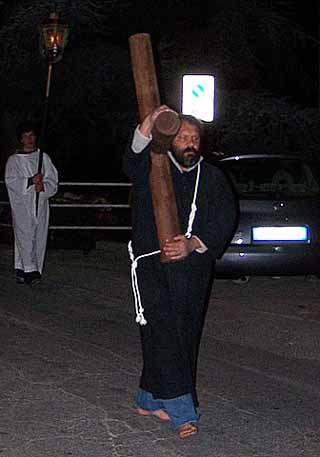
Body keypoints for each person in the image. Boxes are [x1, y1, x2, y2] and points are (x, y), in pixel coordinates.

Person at [123, 106, 237, 439]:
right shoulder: (154, 168)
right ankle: (182, 411)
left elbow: (225, 217)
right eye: (183, 136)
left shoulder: (213, 177)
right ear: (170, 139)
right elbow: (131, 162)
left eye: (194, 138)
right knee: (166, 331)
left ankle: (148, 397)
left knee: (182, 333)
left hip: (193, 270)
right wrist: (145, 128)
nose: (189, 143)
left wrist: (193, 243)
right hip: (153, 268)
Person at [5, 121, 58, 284]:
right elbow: (11, 181)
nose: (29, 139)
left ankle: (26, 268)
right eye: (26, 136)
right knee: (24, 235)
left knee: (38, 235)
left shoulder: (44, 158)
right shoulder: (14, 160)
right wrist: (29, 181)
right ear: (21, 139)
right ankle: (29, 270)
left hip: (39, 204)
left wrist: (44, 186)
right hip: (23, 205)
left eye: (32, 135)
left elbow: (52, 179)